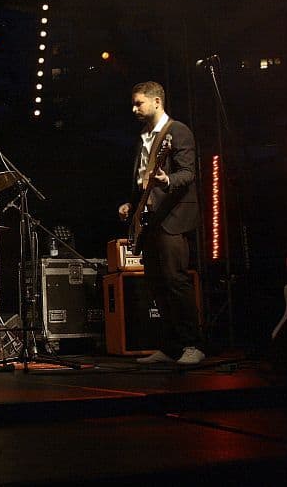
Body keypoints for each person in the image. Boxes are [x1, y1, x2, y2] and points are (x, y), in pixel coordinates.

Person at [118, 81, 204, 365]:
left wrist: (167, 180)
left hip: (173, 217)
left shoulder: (178, 131)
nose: (134, 109)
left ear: (157, 101)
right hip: (150, 219)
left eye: (139, 103)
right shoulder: (143, 137)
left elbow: (188, 173)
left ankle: (193, 344)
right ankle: (171, 347)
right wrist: (131, 205)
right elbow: (142, 181)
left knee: (175, 280)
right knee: (157, 284)